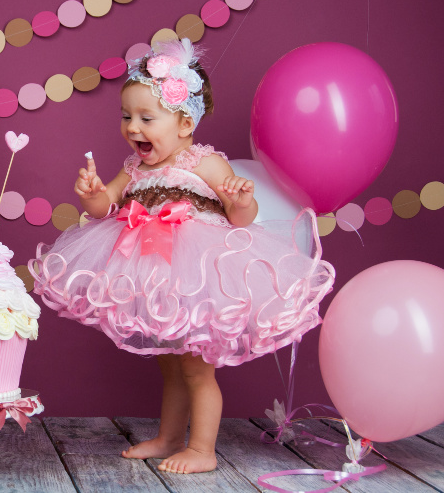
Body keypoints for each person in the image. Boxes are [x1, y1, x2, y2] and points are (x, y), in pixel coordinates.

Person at [29, 38, 335, 474]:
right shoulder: (134, 169)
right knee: (171, 367)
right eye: (126, 116)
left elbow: (242, 221)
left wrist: (241, 198)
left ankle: (203, 449)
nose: (133, 128)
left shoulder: (205, 163)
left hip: (196, 278)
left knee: (196, 372)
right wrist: (94, 195)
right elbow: (105, 208)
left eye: (146, 118)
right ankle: (171, 437)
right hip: (153, 275)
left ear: (185, 123)